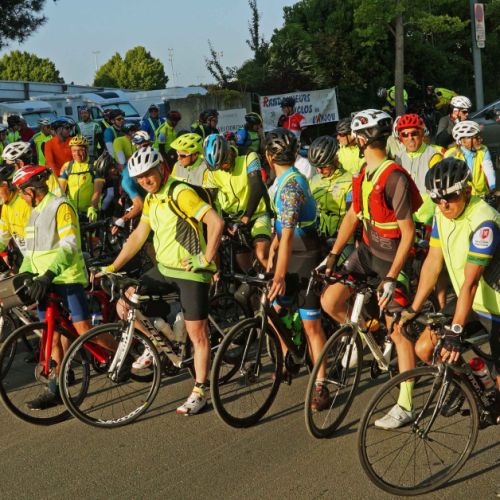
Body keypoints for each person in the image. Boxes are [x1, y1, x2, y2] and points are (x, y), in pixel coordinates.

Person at [102, 146, 225, 415]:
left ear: (161, 169)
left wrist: (205, 259)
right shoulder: (151, 198)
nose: (145, 180)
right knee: (125, 303)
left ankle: (200, 391)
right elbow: (138, 235)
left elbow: (216, 222)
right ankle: (158, 343)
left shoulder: (180, 193)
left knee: (198, 333)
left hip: (191, 271)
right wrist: (111, 266)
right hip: (165, 268)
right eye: (139, 178)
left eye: (149, 174)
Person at [321, 110, 422, 424]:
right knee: (330, 301)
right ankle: (365, 334)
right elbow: (354, 214)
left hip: (393, 259)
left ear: (362, 138)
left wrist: (392, 276)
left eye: (354, 136)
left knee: (399, 330)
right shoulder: (363, 172)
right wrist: (333, 254)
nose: (352, 140)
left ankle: (406, 405)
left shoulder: (393, 177)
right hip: (366, 252)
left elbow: (408, 233)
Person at [395, 158, 500, 425]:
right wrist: (413, 308)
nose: (444, 204)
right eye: (437, 199)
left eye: (450, 197)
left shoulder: (484, 222)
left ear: (467, 191)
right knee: (425, 347)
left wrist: (456, 331)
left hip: (495, 306)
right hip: (471, 302)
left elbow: (471, 283)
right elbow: (433, 262)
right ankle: (469, 385)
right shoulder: (441, 215)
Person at [12, 165, 91, 409]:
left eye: (21, 192)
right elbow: (30, 254)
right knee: (51, 336)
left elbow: (70, 245)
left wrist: (48, 274)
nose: (20, 197)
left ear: (31, 191)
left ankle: (123, 355)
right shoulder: (33, 213)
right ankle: (55, 389)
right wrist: (24, 275)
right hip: (44, 283)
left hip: (66, 277)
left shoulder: (61, 206)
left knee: (84, 331)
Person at [264, 128, 327, 410]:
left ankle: (321, 384)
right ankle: (289, 354)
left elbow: (289, 233)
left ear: (269, 156)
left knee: (311, 323)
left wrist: (279, 274)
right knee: (272, 310)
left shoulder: (291, 185)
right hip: (290, 250)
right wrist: (273, 248)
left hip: (306, 255)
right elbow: (282, 226)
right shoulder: (281, 181)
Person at [204, 134, 271, 269]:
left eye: (224, 163)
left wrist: (247, 216)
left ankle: (278, 280)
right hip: (233, 220)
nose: (222, 168)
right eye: (218, 167)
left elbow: (257, 186)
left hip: (257, 214)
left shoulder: (248, 156)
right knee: (243, 266)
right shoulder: (212, 170)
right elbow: (209, 199)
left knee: (261, 254)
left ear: (229, 151)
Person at [394, 113, 443, 225]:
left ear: (421, 134)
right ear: (400, 137)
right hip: (406, 217)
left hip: (428, 219)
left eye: (414, 133)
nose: (410, 138)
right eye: (405, 135)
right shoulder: (398, 157)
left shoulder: (434, 156)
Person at [308, 136, 353, 245]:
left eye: (324, 167)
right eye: (316, 167)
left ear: (335, 160)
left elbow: (351, 217)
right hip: (320, 238)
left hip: (345, 239)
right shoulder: (313, 180)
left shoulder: (350, 181)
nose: (319, 171)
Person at [58, 135, 105, 221]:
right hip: (72, 212)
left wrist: (93, 207)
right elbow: (60, 191)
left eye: (80, 150)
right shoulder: (67, 166)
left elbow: (97, 192)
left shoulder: (95, 165)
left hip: (90, 212)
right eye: (74, 151)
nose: (77, 154)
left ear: (87, 149)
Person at [444, 120, 496, 197]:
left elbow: (489, 170)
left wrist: (492, 187)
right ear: (462, 141)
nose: (480, 140)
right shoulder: (450, 155)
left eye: (479, 136)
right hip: (463, 196)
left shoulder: (483, 150)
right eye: (476, 137)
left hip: (482, 194)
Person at [0, 163, 32, 269]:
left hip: (39, 258)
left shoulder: (25, 203)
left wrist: (26, 267)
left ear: (10, 185)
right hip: (29, 258)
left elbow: (37, 240)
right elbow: (2, 236)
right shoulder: (6, 207)